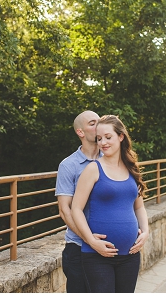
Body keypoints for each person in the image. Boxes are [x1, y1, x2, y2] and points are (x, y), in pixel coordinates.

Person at [71, 115, 149, 293]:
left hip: (130, 255)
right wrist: (91, 240)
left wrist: (146, 231)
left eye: (108, 137)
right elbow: (76, 209)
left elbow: (139, 206)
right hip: (97, 256)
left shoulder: (132, 169)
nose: (103, 143)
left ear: (121, 136)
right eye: (99, 139)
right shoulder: (93, 169)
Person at [56, 110, 112, 293]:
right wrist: (89, 238)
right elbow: (65, 210)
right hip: (78, 248)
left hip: (109, 245)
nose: (98, 126)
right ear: (80, 132)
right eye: (92, 123)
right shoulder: (68, 165)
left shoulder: (113, 160)